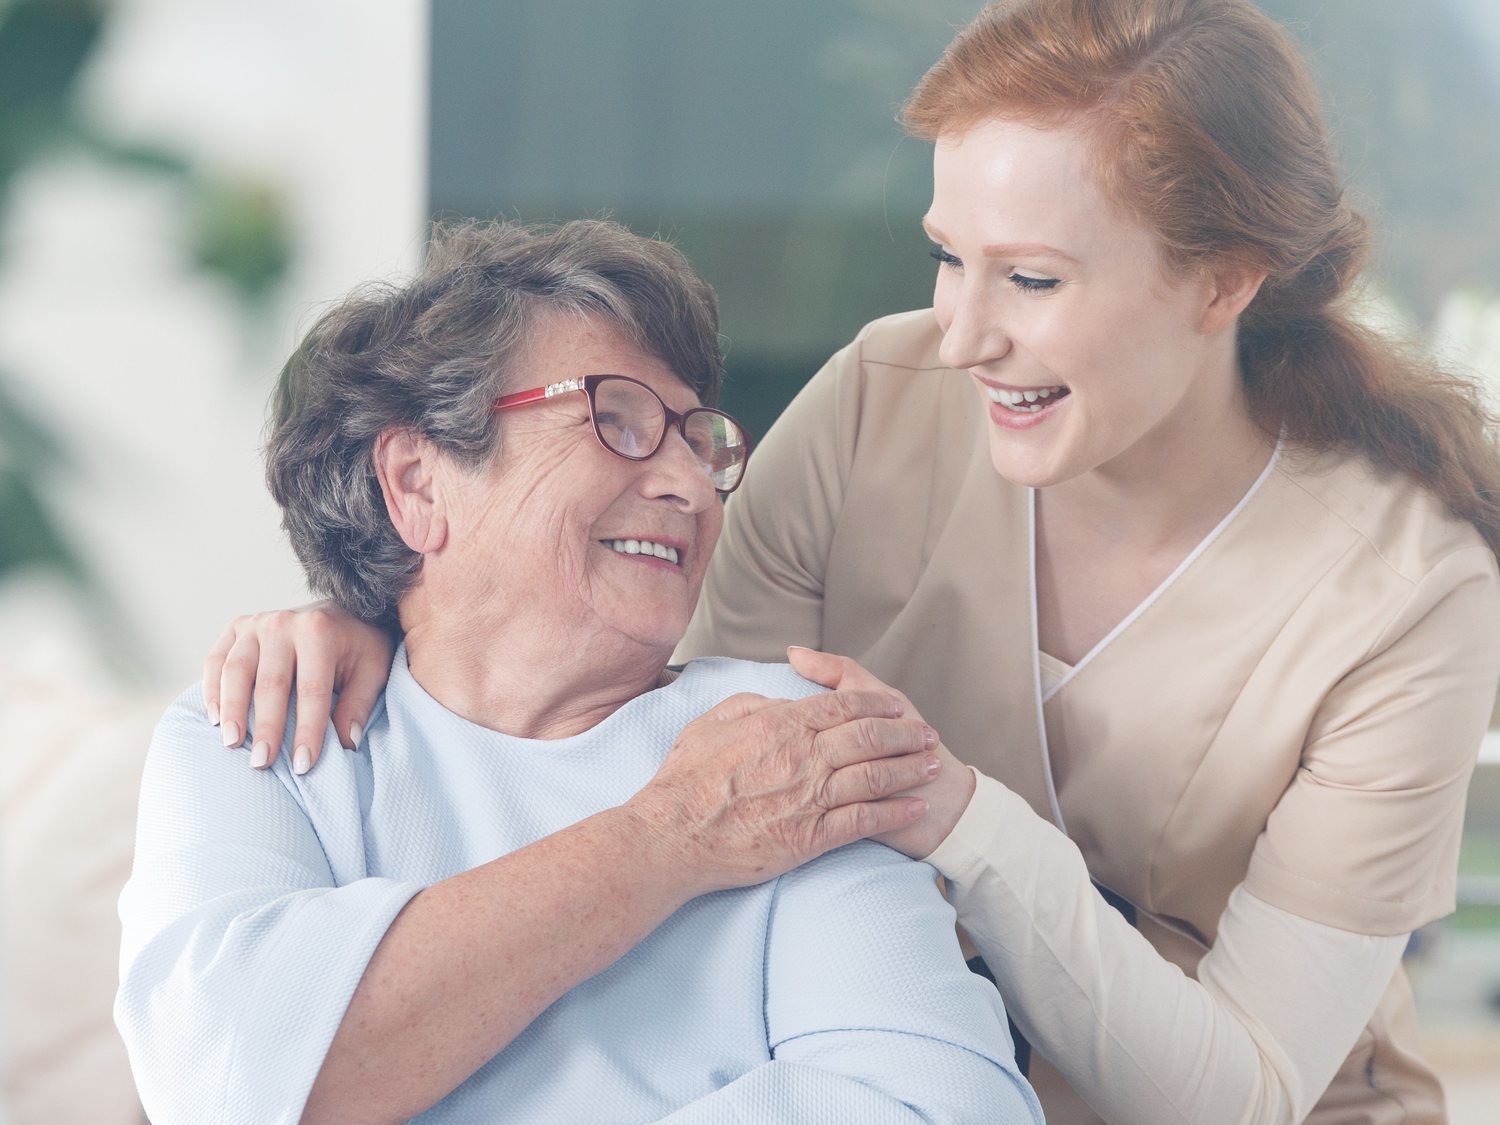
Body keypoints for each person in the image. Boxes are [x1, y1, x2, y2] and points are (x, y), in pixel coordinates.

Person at [203, 1, 1500, 1121]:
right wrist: (391, 616)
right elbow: (652, 716)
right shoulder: (887, 398)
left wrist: (960, 817)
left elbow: (1241, 1094)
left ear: (1223, 283)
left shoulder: (1408, 595)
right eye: (948, 256)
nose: (962, 335)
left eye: (1033, 279)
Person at [115, 219, 1043, 1124]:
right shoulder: (264, 726)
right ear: (418, 482)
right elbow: (223, 1077)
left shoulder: (785, 745)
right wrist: (668, 835)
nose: (688, 482)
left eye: (696, 437)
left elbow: (941, 1106)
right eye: (620, 419)